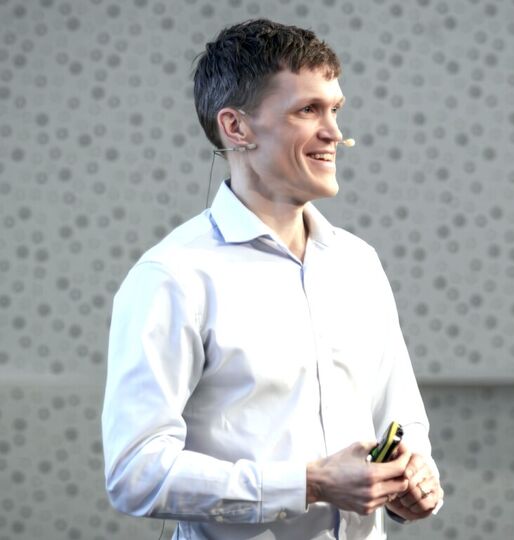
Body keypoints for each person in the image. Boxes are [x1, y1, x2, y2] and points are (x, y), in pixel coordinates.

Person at [102, 19, 443, 540]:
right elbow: (135, 473)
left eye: (335, 109)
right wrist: (310, 484)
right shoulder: (172, 277)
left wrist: (413, 479)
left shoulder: (358, 263)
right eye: (308, 110)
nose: (334, 132)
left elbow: (401, 419)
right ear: (236, 128)